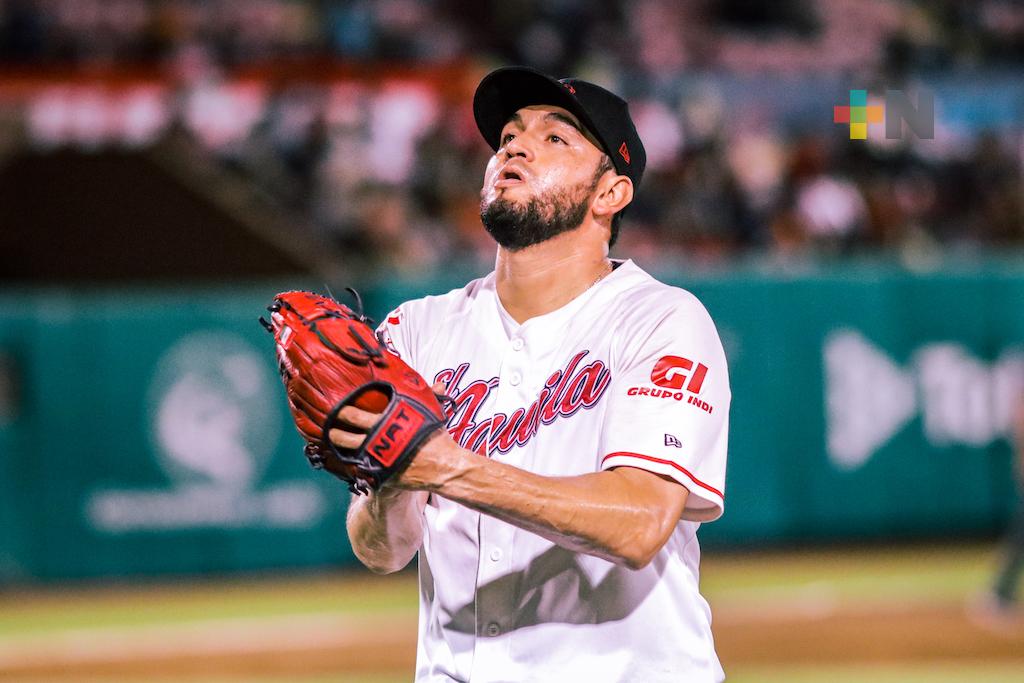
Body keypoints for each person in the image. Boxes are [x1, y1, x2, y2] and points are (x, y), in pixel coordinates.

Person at [334, 66, 731, 682]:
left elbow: (640, 522)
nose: (516, 145)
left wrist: (446, 466)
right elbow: (381, 550)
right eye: (509, 136)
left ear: (610, 194)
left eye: (556, 138)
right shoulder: (415, 331)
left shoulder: (661, 320)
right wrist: (390, 483)